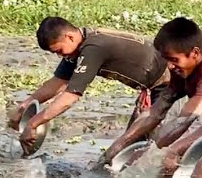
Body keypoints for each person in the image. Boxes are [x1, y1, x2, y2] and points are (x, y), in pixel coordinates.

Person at [11, 17, 169, 153]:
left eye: (59, 50)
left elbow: (70, 96)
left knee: (155, 148)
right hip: (152, 88)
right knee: (128, 149)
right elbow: (57, 83)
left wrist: (33, 123)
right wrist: (25, 105)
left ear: (69, 37)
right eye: (56, 53)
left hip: (170, 85)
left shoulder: (94, 48)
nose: (60, 56)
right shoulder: (79, 47)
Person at [98, 17, 202, 168]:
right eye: (166, 60)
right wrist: (117, 147)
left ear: (194, 53)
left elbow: (184, 119)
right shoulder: (183, 71)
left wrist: (150, 152)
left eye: (174, 59)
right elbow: (155, 112)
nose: (169, 66)